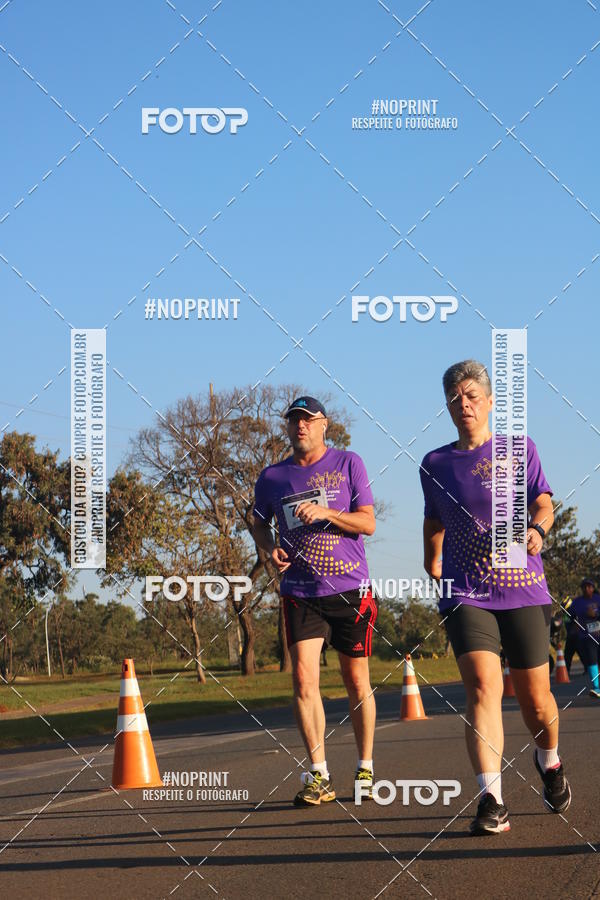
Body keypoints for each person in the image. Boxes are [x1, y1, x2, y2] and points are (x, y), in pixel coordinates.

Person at [420, 360, 571, 836]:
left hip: (523, 588)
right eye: (453, 397)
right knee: (484, 688)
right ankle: (491, 798)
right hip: (466, 591)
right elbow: (434, 521)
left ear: (488, 401)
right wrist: (432, 562)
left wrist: (538, 529)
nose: (462, 404)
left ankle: (549, 761)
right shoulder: (435, 464)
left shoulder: (518, 448)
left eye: (470, 395)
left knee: (536, 702)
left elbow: (544, 500)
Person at [252, 396, 377, 806]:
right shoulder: (272, 477)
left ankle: (365, 767)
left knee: (355, 680)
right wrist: (268, 547)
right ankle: (319, 775)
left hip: (350, 588)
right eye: (293, 421)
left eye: (308, 420)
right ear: (287, 428)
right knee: (303, 679)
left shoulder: (348, 463)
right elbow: (256, 520)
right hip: (300, 591)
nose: (300, 426)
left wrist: (326, 514)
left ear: (325, 425)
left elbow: (368, 522)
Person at [569, 578, 600, 698]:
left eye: (589, 586)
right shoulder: (577, 602)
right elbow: (570, 617)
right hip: (586, 637)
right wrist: (573, 625)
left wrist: (596, 615)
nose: (587, 589)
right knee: (592, 661)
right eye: (584, 587)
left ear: (593, 588)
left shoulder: (598, 599)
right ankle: (597, 688)